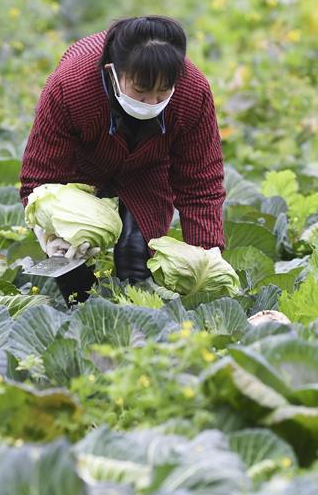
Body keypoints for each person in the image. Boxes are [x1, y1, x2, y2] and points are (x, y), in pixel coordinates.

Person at [19, 15, 227, 302]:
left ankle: (140, 328)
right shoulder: (71, 85)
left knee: (136, 253)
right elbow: (41, 176)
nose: (152, 103)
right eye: (141, 92)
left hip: (148, 165)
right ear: (113, 72)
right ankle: (85, 319)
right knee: (71, 266)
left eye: (162, 92)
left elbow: (201, 183)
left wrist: (206, 253)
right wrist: (51, 231)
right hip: (83, 162)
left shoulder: (193, 93)